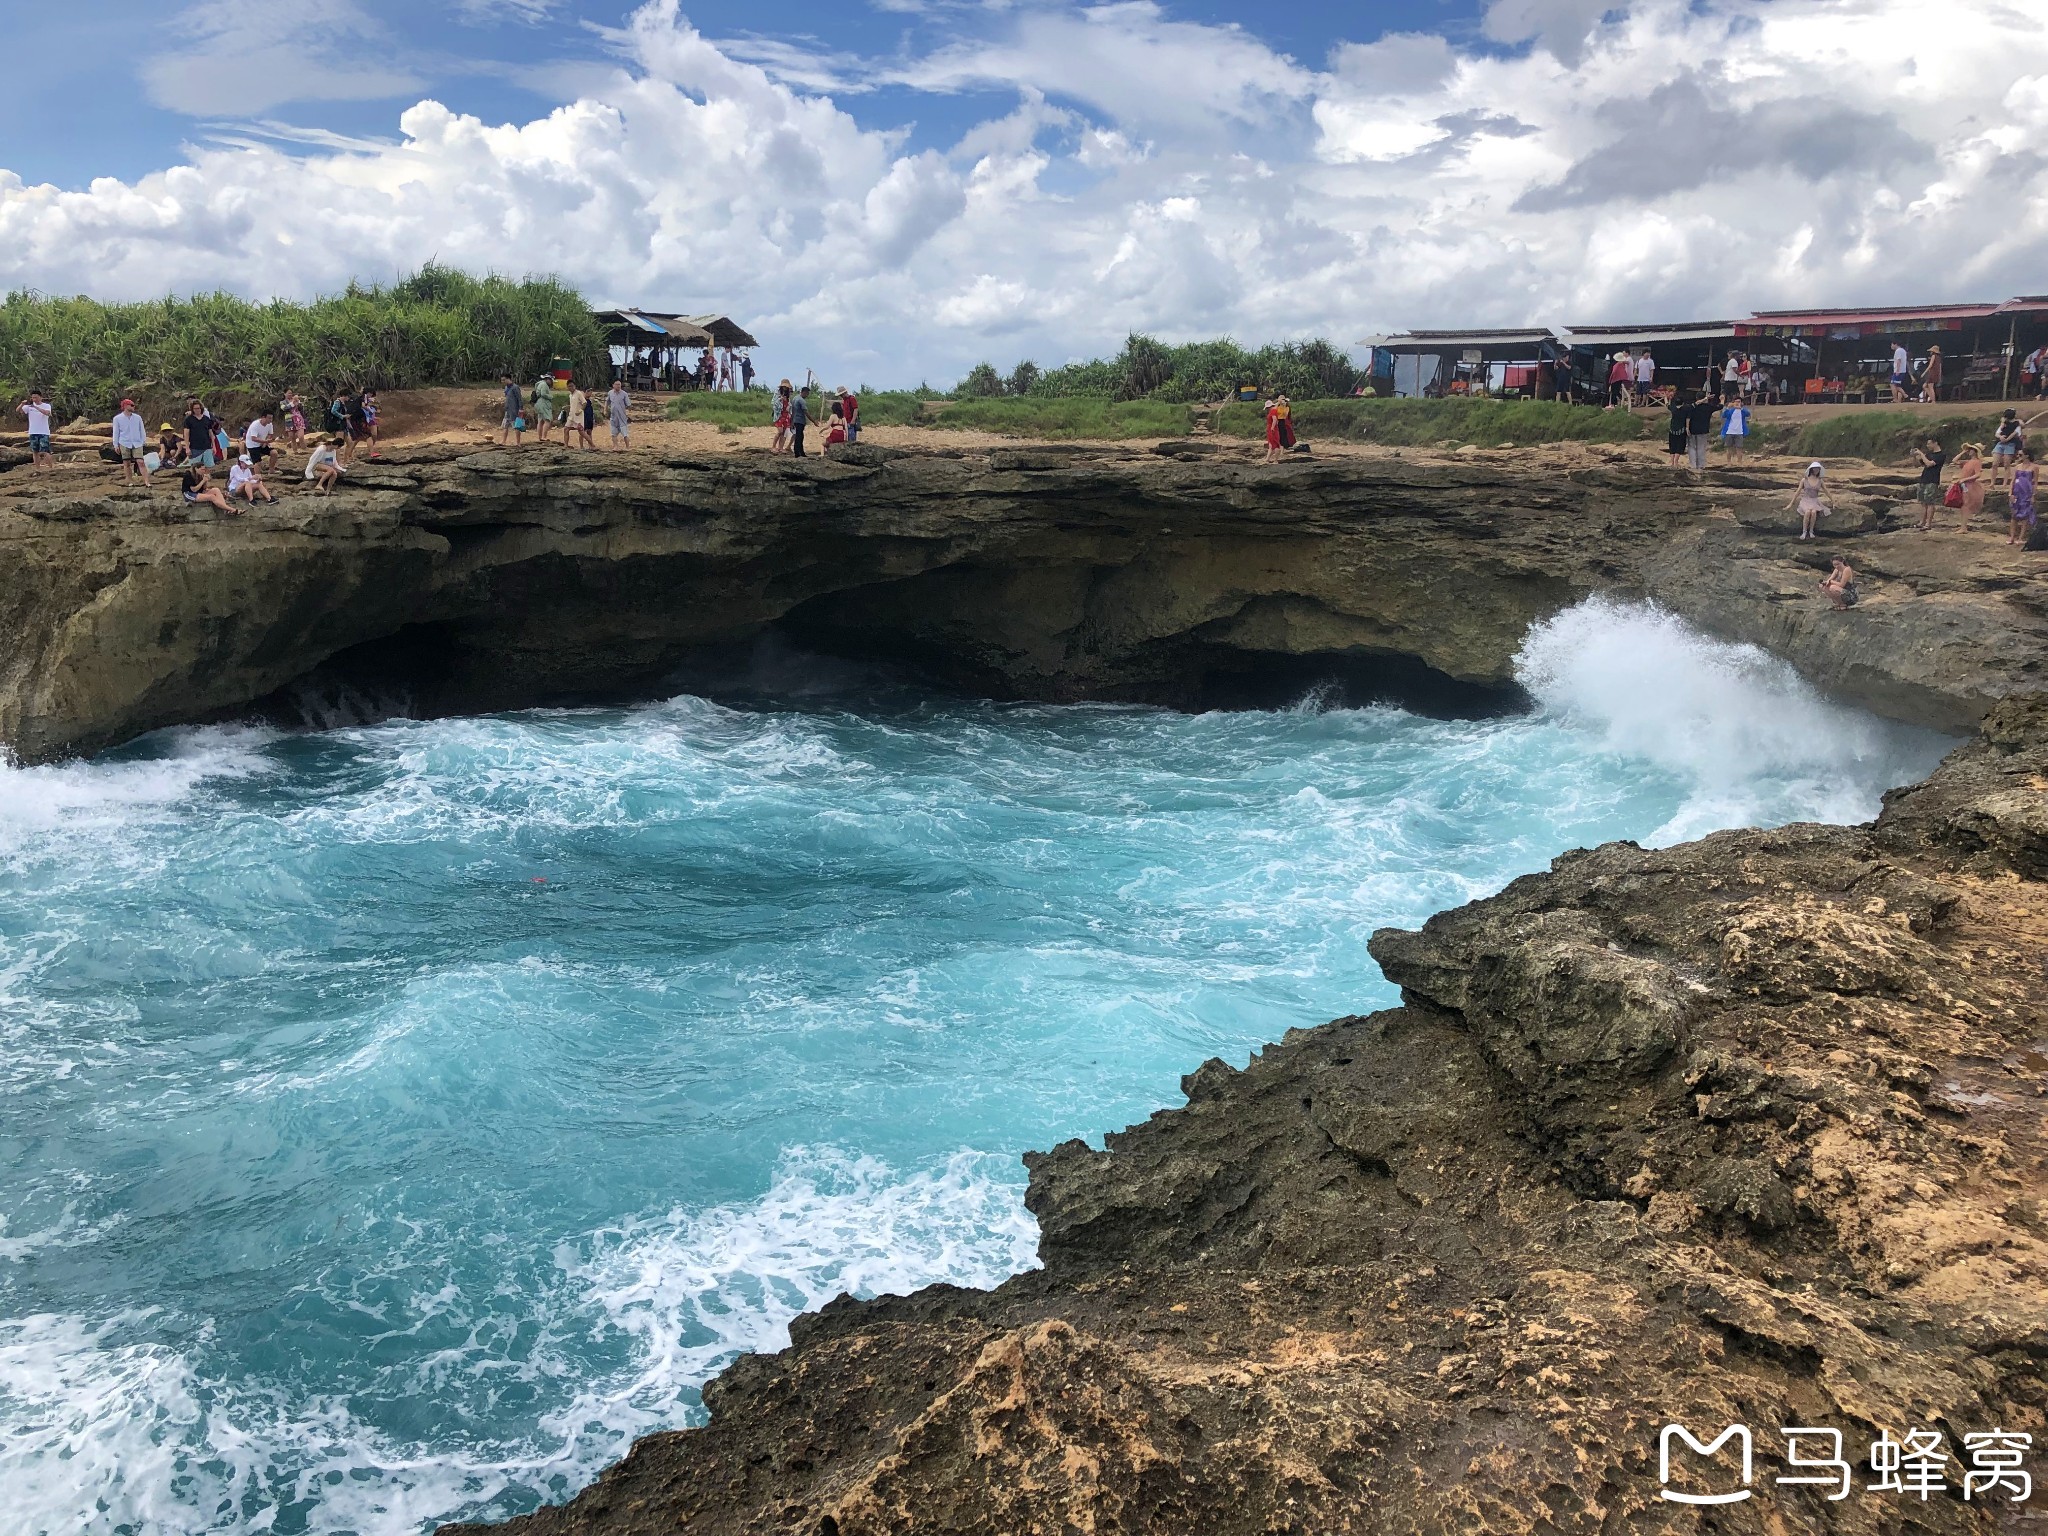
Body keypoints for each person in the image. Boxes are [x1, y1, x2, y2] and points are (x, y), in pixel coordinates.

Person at [111, 398, 151, 485]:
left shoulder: (138, 418)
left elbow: (142, 430)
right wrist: (115, 444)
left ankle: (147, 482)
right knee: (127, 463)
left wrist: (143, 440)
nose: (134, 407)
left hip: (137, 442)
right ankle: (130, 481)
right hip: (124, 442)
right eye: (131, 405)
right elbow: (116, 432)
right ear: (125, 406)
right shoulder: (117, 418)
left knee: (141, 462)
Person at [1912, 437, 1946, 532]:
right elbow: (1917, 465)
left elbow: (1929, 464)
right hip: (1924, 479)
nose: (1927, 446)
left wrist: (1921, 454)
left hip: (1932, 480)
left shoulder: (1941, 455)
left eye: (1929, 444)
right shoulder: (1929, 454)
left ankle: (1928, 523)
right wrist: (1914, 456)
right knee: (1923, 502)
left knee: (1930, 502)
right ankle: (1922, 522)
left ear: (1935, 443)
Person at [1788, 461, 1828, 540]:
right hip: (1805, 500)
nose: (1816, 470)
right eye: (1815, 469)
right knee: (1807, 512)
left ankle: (1811, 531)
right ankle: (1804, 531)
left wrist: (1833, 501)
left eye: (1818, 469)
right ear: (1811, 469)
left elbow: (1827, 491)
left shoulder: (1820, 481)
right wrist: (1790, 503)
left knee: (1813, 512)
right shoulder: (1804, 480)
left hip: (1814, 501)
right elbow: (1798, 491)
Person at [16, 390, 55, 469]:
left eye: (36, 397)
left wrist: (36, 407)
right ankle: (38, 468)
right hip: (33, 431)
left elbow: (47, 413)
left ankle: (51, 468)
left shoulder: (46, 405)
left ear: (41, 397)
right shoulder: (29, 407)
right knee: (35, 451)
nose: (34, 399)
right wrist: (22, 404)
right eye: (33, 398)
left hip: (43, 432)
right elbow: (18, 411)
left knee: (45, 451)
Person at [2007, 450, 2036, 547]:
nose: (2018, 456)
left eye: (2020, 455)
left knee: (2025, 516)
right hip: (2017, 492)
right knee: (2014, 515)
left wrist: (2033, 495)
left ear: (2026, 455)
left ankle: (2020, 538)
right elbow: (2013, 480)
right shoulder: (2017, 467)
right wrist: (2010, 493)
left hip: (2026, 493)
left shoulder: (2034, 467)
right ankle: (2012, 537)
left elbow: (2034, 482)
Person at [1685, 392, 1718, 472]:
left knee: (1691, 447)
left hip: (1692, 429)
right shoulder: (1708, 407)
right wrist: (1722, 400)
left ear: (1696, 398)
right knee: (1701, 448)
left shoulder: (1692, 407)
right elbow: (1719, 406)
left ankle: (1693, 465)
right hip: (1703, 429)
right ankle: (1701, 465)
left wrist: (1687, 428)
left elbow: (1688, 417)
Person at [1955, 443, 1985, 529]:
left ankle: (1963, 527)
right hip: (1964, 484)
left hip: (1969, 485)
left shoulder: (1976, 462)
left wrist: (1965, 479)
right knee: (1963, 505)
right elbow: (1955, 460)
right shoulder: (1968, 461)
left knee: (1966, 505)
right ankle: (1963, 526)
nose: (1969, 451)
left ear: (1975, 452)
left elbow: (1978, 474)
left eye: (1971, 449)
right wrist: (1963, 452)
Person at [183, 399, 217, 467]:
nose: (197, 410)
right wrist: (187, 447)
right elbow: (186, 434)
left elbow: (211, 434)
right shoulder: (188, 419)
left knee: (209, 466)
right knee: (195, 467)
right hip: (194, 447)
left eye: (198, 408)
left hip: (207, 446)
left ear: (201, 408)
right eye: (195, 409)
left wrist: (214, 446)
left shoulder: (206, 419)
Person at [1720, 394, 1752, 461]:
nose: (1737, 403)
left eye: (1739, 402)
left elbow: (1748, 414)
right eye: (1736, 401)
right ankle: (1729, 462)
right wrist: (1728, 408)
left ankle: (1739, 463)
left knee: (1739, 448)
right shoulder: (1731, 410)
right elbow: (1724, 415)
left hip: (1739, 432)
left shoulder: (1742, 411)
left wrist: (1741, 408)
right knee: (1729, 448)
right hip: (1729, 431)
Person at [1665, 393, 1689, 469]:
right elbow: (1687, 419)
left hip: (1672, 429)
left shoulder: (1673, 408)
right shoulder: (1685, 409)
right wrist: (1687, 428)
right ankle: (1676, 462)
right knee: (1680, 446)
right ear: (1683, 403)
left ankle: (1672, 462)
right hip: (1681, 430)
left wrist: (1666, 398)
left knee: (1672, 446)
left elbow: (1666, 404)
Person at [500, 376, 524, 446]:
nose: (503, 382)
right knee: (505, 425)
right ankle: (503, 441)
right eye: (502, 380)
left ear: (508, 379)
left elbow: (519, 398)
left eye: (504, 380)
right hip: (508, 409)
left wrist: (520, 408)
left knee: (516, 426)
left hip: (515, 410)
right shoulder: (506, 388)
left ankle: (518, 442)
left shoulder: (515, 387)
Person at [607, 379, 630, 449]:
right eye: (616, 384)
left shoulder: (624, 394)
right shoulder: (610, 393)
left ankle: (627, 447)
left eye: (619, 384)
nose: (618, 386)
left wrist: (627, 413)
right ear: (613, 385)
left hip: (622, 417)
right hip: (613, 417)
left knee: (625, 433)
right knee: (613, 433)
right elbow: (607, 402)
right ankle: (615, 446)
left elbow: (628, 405)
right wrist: (605, 410)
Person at [533, 374, 555, 445]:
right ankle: (544, 436)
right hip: (543, 403)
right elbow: (543, 394)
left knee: (541, 421)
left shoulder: (539, 384)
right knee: (547, 420)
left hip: (539, 403)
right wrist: (550, 397)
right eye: (551, 380)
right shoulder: (544, 385)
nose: (551, 382)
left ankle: (540, 437)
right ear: (547, 379)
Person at [565, 382, 588, 450]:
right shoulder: (570, 395)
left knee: (581, 432)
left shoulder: (578, 393)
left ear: (574, 386)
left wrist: (580, 410)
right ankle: (566, 445)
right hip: (571, 416)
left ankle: (590, 444)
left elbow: (584, 403)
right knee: (566, 429)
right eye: (569, 386)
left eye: (572, 386)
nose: (571, 388)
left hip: (578, 417)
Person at [789, 384, 810, 457]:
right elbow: (806, 412)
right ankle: (798, 453)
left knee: (799, 436)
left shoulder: (795, 398)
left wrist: (791, 420)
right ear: (804, 392)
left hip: (795, 420)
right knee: (799, 437)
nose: (807, 395)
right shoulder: (801, 400)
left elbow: (792, 410)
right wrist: (813, 421)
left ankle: (800, 452)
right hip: (799, 420)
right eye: (807, 393)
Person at [772, 381, 792, 453]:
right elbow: (773, 403)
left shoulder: (788, 395)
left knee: (784, 433)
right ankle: (773, 446)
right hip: (779, 415)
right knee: (780, 431)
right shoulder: (777, 394)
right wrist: (780, 399)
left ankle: (780, 447)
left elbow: (789, 405)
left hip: (786, 415)